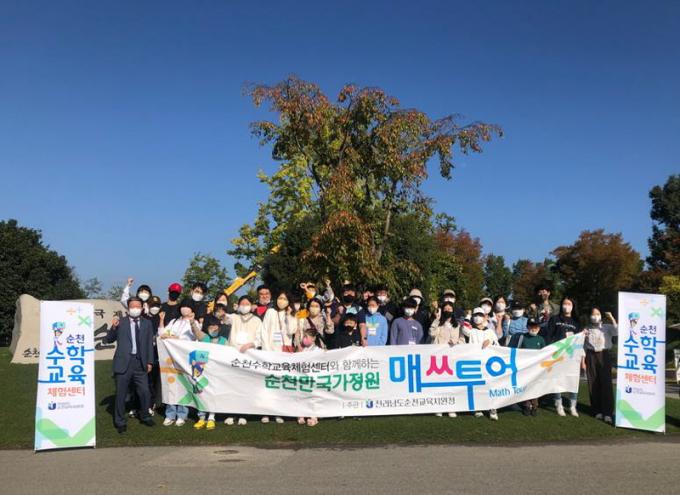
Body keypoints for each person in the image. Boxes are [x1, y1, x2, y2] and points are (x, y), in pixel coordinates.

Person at [103, 297, 155, 433]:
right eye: (132, 306)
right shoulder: (121, 322)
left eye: (138, 306)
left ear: (142, 308)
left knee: (144, 392)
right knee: (121, 394)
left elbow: (149, 344)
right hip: (123, 362)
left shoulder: (147, 323)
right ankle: (120, 421)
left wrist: (150, 361)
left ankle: (145, 416)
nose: (135, 309)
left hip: (140, 362)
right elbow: (108, 339)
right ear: (128, 308)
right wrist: (113, 327)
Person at [158, 298, 199, 426]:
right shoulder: (174, 321)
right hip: (170, 358)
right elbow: (162, 333)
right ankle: (170, 414)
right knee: (170, 385)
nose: (185, 309)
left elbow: (195, 337)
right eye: (183, 306)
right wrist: (161, 322)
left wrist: (177, 338)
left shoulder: (195, 322)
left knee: (183, 386)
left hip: (184, 359)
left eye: (188, 306)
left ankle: (182, 414)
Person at [224, 295, 264, 426]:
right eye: (242, 304)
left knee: (245, 385)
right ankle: (231, 413)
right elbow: (224, 318)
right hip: (233, 355)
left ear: (252, 306)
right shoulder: (234, 317)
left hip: (248, 356)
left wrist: (251, 344)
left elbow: (259, 338)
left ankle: (243, 414)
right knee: (232, 385)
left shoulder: (257, 320)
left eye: (247, 304)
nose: (244, 306)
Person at [260, 291, 297, 424]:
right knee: (269, 383)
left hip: (284, 353)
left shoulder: (292, 314)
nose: (282, 301)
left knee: (280, 383)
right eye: (280, 298)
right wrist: (266, 350)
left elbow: (292, 330)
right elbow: (264, 331)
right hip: (270, 351)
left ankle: (278, 412)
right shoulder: (270, 312)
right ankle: (266, 412)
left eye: (285, 299)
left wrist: (289, 315)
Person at [190, 314, 229, 430]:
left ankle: (211, 417)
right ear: (207, 328)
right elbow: (196, 331)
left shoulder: (224, 341)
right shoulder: (204, 338)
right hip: (203, 371)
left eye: (216, 326)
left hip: (217, 373)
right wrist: (192, 323)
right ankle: (201, 418)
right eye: (211, 327)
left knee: (213, 394)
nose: (214, 329)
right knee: (201, 394)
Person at [546, 296, 582, 417]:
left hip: (571, 356)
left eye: (569, 304)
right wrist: (550, 350)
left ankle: (572, 406)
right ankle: (559, 404)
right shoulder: (555, 319)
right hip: (557, 354)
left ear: (573, 306)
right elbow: (549, 335)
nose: (566, 306)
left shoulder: (576, 322)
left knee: (573, 379)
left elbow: (579, 340)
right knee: (557, 379)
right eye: (564, 304)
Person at [462, 307, 499, 421]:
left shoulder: (490, 331)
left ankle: (492, 408)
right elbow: (464, 328)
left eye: (480, 315)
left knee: (491, 385)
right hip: (475, 361)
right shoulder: (471, 331)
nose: (478, 317)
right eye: (476, 315)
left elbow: (497, 345)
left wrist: (490, 341)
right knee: (477, 385)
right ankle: (478, 408)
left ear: (485, 317)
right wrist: (468, 315)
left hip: (488, 363)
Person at [429, 300, 464, 418]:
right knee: (439, 383)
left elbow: (461, 340)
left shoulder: (457, 325)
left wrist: (456, 342)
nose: (447, 311)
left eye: (450, 309)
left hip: (451, 358)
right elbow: (432, 333)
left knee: (451, 383)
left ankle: (451, 407)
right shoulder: (439, 323)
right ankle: (439, 407)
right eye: (445, 309)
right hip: (438, 357)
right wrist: (436, 319)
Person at [583, 308, 618, 424]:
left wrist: (611, 318)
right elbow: (583, 345)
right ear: (590, 316)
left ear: (601, 316)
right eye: (593, 314)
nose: (595, 316)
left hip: (604, 355)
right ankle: (596, 410)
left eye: (597, 314)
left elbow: (617, 332)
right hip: (590, 355)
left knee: (606, 383)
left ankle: (608, 412)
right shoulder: (587, 328)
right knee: (593, 382)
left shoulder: (607, 327)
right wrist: (583, 360)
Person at [296, 326, 325, 427]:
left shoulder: (318, 349)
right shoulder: (303, 349)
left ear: (313, 338)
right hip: (303, 377)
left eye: (306, 337)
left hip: (313, 377)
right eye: (304, 336)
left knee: (313, 397)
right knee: (301, 396)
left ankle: (313, 417)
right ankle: (301, 415)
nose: (304, 339)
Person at [519, 318, 546, 416]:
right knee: (525, 386)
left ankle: (534, 406)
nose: (533, 328)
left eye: (536, 326)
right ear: (527, 327)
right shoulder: (522, 337)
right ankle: (526, 405)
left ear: (539, 328)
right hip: (525, 367)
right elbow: (517, 351)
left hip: (536, 368)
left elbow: (545, 353)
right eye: (531, 326)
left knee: (535, 386)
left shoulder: (541, 339)